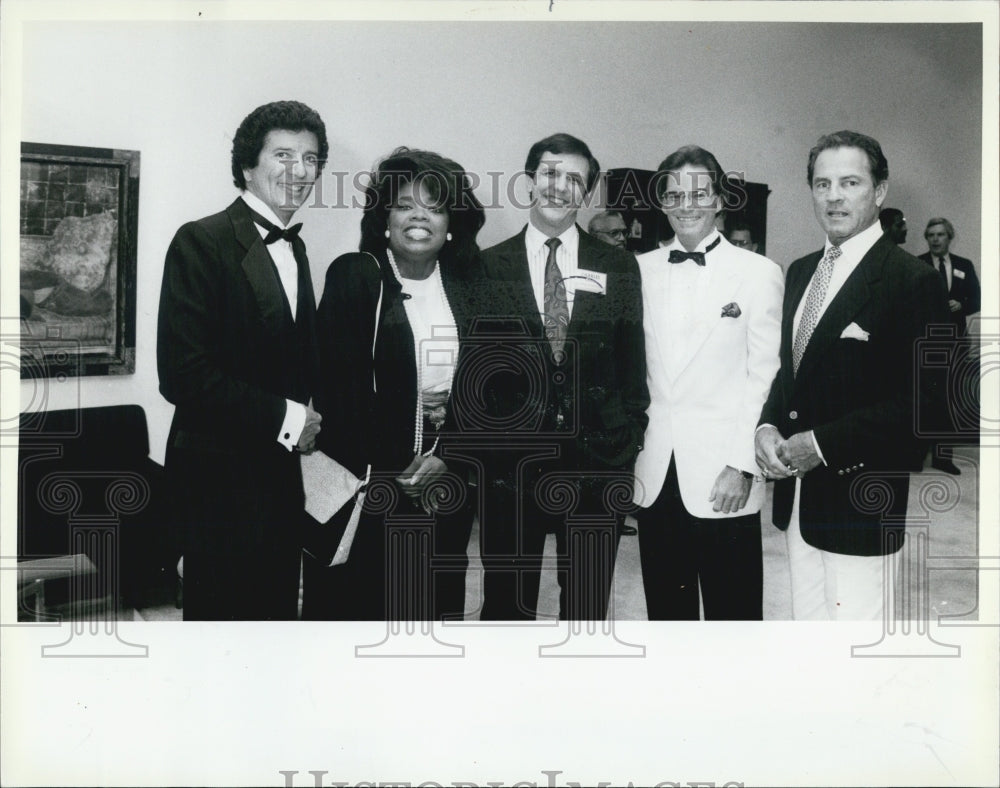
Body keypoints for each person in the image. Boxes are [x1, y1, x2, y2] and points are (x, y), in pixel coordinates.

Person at [755, 130, 948, 620]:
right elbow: (791, 371)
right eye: (822, 184)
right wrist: (768, 425)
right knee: (810, 636)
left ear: (879, 192)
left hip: (861, 500)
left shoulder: (912, 281)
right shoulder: (800, 271)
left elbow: (926, 403)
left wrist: (820, 444)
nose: (834, 196)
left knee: (853, 650)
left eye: (850, 182)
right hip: (798, 499)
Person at [461, 132, 649, 621]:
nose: (559, 187)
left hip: (597, 464)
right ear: (529, 180)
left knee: (586, 610)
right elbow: (474, 374)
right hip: (511, 472)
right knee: (506, 607)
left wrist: (627, 441)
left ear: (585, 193)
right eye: (549, 173)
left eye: (574, 179)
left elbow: (633, 364)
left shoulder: (618, 265)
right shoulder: (486, 268)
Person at [157, 100, 327, 620]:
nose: (298, 171)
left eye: (310, 158)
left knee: (272, 629)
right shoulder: (201, 240)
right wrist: (290, 418)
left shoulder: (296, 250)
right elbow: (183, 374)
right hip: (218, 484)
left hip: (279, 482)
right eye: (283, 154)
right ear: (247, 166)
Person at [303, 148, 485, 620]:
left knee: (427, 622)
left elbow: (490, 387)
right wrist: (408, 444)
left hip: (446, 485)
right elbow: (338, 391)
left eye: (435, 206)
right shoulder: (355, 275)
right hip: (370, 486)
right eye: (405, 204)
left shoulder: (469, 286)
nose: (420, 215)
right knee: (358, 618)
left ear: (451, 223)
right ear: (385, 218)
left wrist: (449, 453)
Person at [633, 145, 783, 620]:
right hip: (655, 473)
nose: (686, 204)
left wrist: (743, 465)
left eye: (699, 192)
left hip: (725, 476)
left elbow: (765, 375)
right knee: (667, 615)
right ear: (662, 203)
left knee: (732, 619)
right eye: (674, 194)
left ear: (720, 200)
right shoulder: (637, 271)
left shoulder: (759, 274)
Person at [918, 217, 981, 474]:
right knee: (922, 398)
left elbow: (977, 299)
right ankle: (918, 455)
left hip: (955, 342)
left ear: (949, 237)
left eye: (940, 234)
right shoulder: (917, 264)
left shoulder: (964, 265)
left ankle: (943, 459)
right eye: (931, 235)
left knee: (948, 399)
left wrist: (962, 305)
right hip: (924, 342)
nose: (935, 239)